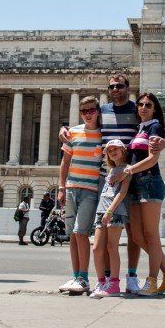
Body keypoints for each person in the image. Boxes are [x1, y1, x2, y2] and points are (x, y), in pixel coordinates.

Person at [59, 74, 165, 295]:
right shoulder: (103, 111)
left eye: (120, 86)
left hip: (132, 175)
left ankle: (132, 275)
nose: (115, 89)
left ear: (128, 87)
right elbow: (87, 125)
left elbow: (154, 130)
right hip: (105, 177)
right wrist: (65, 128)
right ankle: (109, 278)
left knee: (133, 232)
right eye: (112, 86)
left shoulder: (137, 110)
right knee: (108, 232)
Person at [126, 92, 165, 296]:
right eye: (140, 104)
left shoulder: (155, 127)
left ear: (155, 108)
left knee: (150, 234)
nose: (143, 107)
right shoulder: (140, 128)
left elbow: (152, 159)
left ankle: (152, 280)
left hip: (149, 181)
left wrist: (129, 170)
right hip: (134, 185)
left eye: (148, 105)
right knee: (137, 236)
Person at [58, 96, 104, 295]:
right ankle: (75, 274)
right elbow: (65, 162)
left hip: (90, 190)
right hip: (71, 188)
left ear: (98, 111)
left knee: (81, 232)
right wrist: (61, 187)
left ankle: (84, 277)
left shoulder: (103, 135)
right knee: (72, 235)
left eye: (91, 110)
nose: (88, 114)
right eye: (84, 111)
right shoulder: (73, 132)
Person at [89, 139, 132, 298]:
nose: (112, 152)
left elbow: (122, 192)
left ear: (122, 150)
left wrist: (110, 211)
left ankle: (114, 283)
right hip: (102, 210)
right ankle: (101, 281)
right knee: (97, 248)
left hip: (115, 211)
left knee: (111, 247)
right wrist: (103, 211)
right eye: (109, 150)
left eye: (116, 149)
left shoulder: (127, 169)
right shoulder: (111, 170)